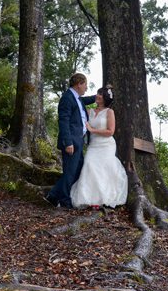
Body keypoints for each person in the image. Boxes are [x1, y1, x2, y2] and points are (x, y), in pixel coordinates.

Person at [70, 86, 128, 208]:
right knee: (89, 164)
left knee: (104, 170)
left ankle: (102, 199)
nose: (97, 96)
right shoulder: (89, 111)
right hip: (93, 145)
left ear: (105, 98)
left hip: (106, 145)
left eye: (100, 95)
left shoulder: (109, 112)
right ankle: (87, 198)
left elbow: (110, 131)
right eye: (97, 93)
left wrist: (93, 130)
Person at [45, 72, 96, 209]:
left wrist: (100, 96)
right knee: (70, 172)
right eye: (85, 84)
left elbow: (87, 100)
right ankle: (64, 201)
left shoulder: (78, 99)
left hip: (78, 141)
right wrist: (68, 142)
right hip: (71, 142)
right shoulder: (67, 98)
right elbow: (63, 121)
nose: (86, 88)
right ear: (79, 84)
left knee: (78, 170)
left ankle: (53, 195)